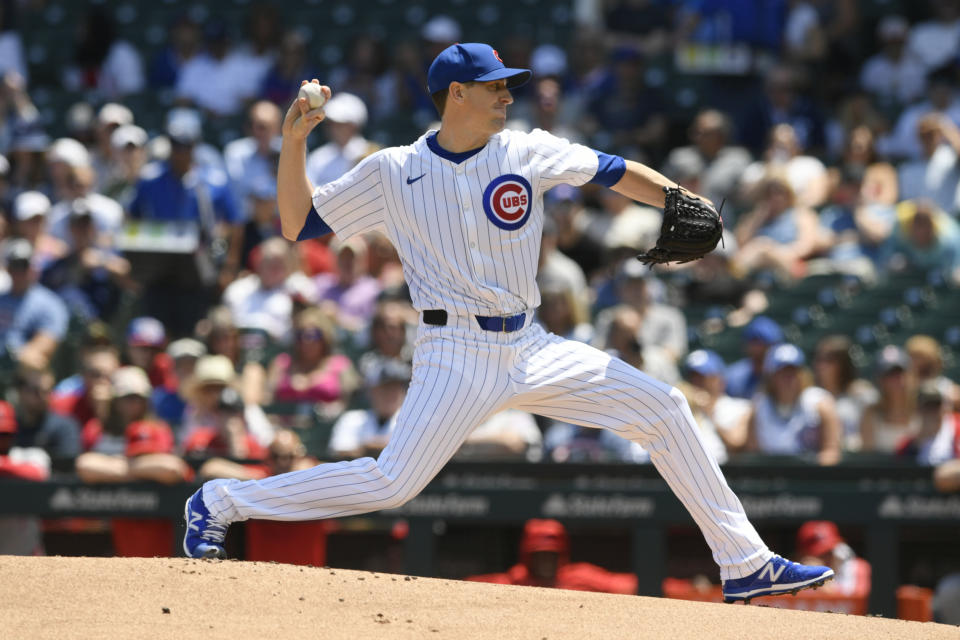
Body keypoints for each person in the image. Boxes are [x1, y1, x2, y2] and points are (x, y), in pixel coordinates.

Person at [184, 43, 834, 603]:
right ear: (456, 93)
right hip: (452, 350)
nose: (506, 96)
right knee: (391, 484)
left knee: (663, 408)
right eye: (495, 86)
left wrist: (675, 199)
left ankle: (745, 563)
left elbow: (612, 171)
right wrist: (294, 143)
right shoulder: (393, 170)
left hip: (530, 343)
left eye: (508, 86)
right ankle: (222, 501)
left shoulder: (527, 149)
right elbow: (298, 225)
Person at [465, 519, 637, 594]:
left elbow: (625, 585)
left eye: (551, 555)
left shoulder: (579, 577)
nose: (546, 561)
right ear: (528, 556)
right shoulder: (517, 579)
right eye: (540, 555)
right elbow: (464, 587)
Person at [746, 343, 843, 466]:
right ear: (771, 376)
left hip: (810, 477)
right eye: (782, 372)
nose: (788, 378)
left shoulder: (820, 403)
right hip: (771, 477)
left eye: (793, 372)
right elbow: (753, 454)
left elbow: (832, 451)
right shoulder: (759, 406)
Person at [795, 521, 870, 598]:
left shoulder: (856, 568)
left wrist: (823, 581)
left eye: (829, 551)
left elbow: (859, 602)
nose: (828, 557)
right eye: (821, 554)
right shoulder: (796, 573)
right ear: (804, 555)